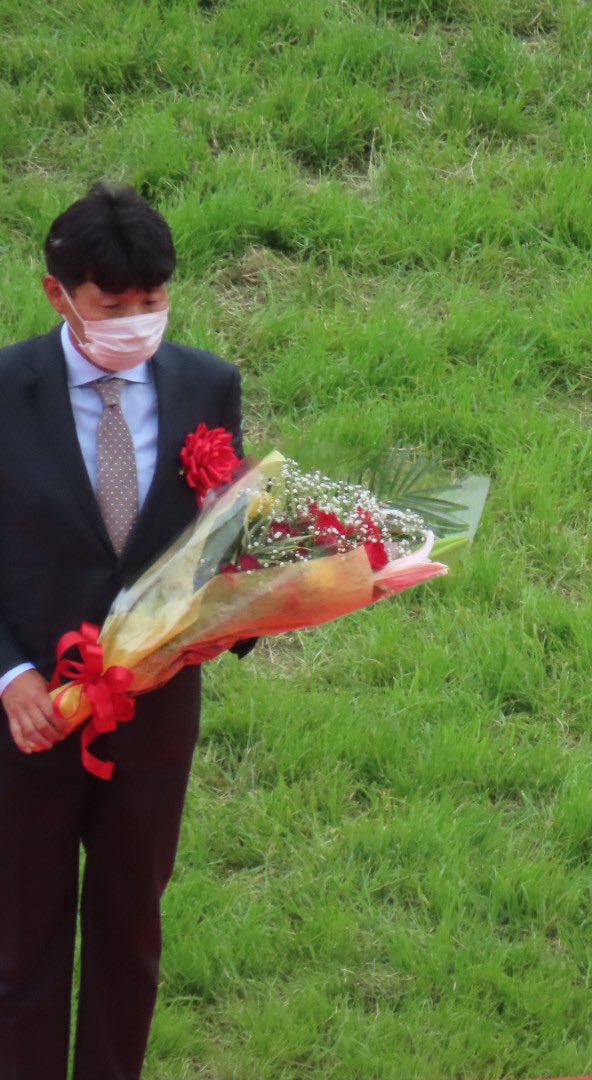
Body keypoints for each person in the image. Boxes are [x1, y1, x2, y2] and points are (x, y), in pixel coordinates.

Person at [0, 182, 245, 1080]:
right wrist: (10, 676)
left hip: (152, 721)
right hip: (28, 724)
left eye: (154, 299)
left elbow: (224, 535)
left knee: (129, 940)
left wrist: (228, 623)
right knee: (20, 950)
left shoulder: (207, 384)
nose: (137, 321)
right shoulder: (3, 390)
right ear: (57, 294)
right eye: (114, 305)